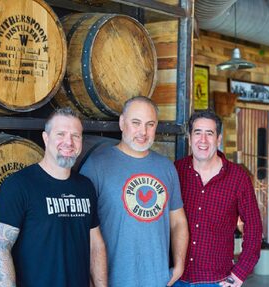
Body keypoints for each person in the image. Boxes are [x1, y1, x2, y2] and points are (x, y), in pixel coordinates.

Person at [0, 107, 107, 287]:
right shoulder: (18, 185)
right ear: (46, 138)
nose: (68, 142)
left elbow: (95, 244)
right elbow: (1, 247)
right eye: (60, 134)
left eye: (75, 136)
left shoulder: (85, 186)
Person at [80, 96, 189, 287]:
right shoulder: (97, 165)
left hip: (157, 281)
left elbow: (178, 222)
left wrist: (179, 266)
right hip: (113, 281)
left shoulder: (166, 167)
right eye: (136, 123)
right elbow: (82, 231)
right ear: (122, 123)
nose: (143, 132)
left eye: (150, 124)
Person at [173, 110, 262, 287]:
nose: (203, 140)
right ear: (190, 139)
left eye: (210, 134)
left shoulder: (237, 177)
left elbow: (254, 227)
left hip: (216, 281)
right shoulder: (176, 170)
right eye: (198, 133)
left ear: (218, 139)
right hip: (176, 278)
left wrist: (239, 273)